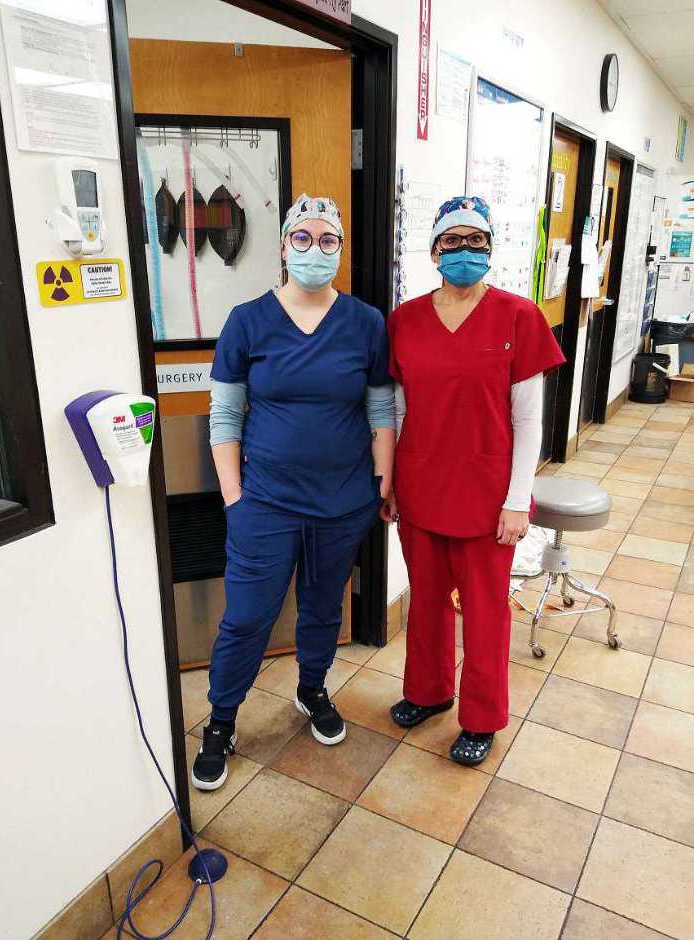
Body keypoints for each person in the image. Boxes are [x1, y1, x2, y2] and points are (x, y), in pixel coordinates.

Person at [193, 194, 395, 791]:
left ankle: (311, 689)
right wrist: (234, 495)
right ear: (284, 246)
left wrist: (384, 478)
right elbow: (225, 414)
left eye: (327, 239)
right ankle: (222, 721)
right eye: (301, 238)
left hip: (344, 502)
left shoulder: (365, 322)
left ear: (341, 248)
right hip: (266, 504)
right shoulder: (248, 321)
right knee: (248, 618)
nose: (314, 249)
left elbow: (380, 405)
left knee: (323, 606)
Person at [384, 196, 565, 766]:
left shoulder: (518, 316)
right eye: (453, 241)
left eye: (476, 241)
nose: (465, 251)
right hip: (420, 484)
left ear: (491, 248)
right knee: (428, 599)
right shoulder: (406, 320)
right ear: (434, 249)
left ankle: (481, 717)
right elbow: (395, 406)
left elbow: (528, 419)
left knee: (485, 611)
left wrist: (518, 501)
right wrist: (388, 481)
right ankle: (428, 691)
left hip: (490, 496)